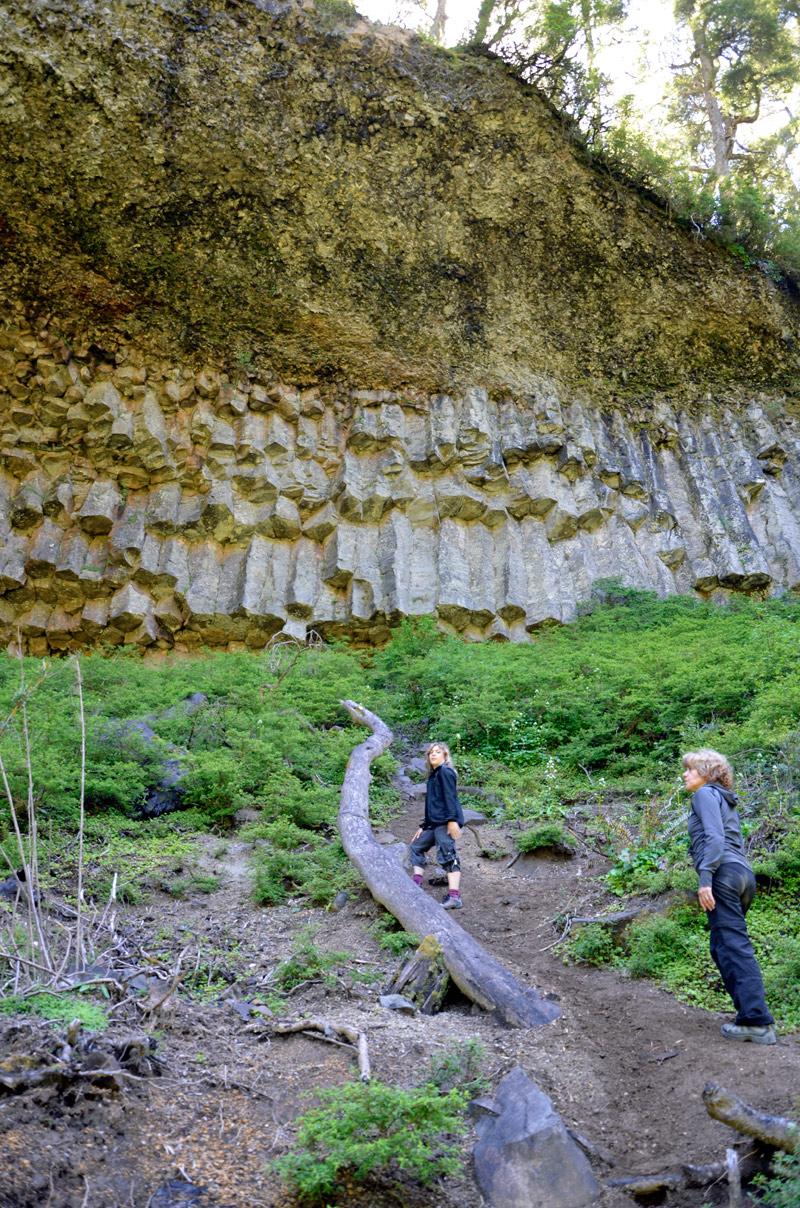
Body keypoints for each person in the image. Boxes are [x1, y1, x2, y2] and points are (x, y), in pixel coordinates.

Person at [682, 748, 776, 1044]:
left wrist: (705, 878)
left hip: (723, 875)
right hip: (742, 877)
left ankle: (755, 1021)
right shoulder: (724, 798)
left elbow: (715, 838)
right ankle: (747, 1015)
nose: (685, 774)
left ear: (707, 774)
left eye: (691, 770)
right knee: (722, 945)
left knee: (733, 946)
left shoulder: (705, 795)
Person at [410, 741, 465, 909]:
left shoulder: (446, 772)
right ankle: (416, 884)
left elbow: (450, 798)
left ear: (445, 756)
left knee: (448, 856)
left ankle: (454, 897)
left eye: (437, 752)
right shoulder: (433, 776)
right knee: (417, 846)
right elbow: (431, 803)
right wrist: (424, 825)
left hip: (445, 822)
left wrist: (452, 821)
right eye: (431, 752)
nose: (433, 754)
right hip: (434, 824)